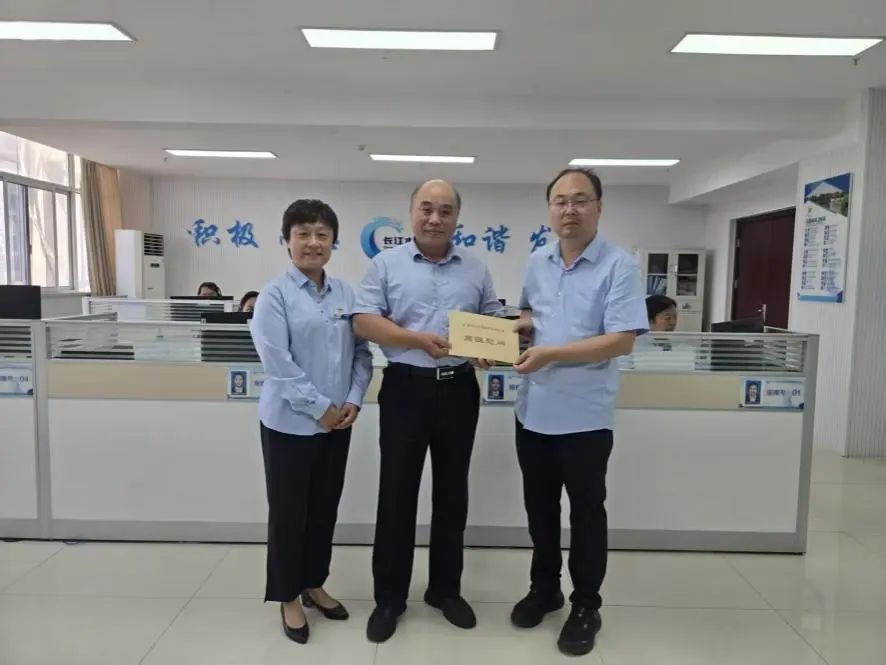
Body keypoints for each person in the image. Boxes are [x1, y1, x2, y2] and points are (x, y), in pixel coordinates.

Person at [353, 179, 501, 643]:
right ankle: (389, 598)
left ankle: (445, 590)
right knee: (396, 493)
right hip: (405, 389)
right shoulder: (385, 264)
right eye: (426, 209)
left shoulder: (476, 268)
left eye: (445, 211)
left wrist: (491, 348)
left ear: (457, 217)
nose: (435, 219)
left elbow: (492, 319)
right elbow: (365, 321)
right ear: (412, 212)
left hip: (459, 390)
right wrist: (417, 340)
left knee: (453, 494)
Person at [510, 168, 648, 656]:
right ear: (550, 209)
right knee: (540, 509)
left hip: (585, 418)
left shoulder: (619, 266)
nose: (570, 210)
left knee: (587, 513)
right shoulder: (537, 262)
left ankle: (586, 604)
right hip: (533, 412)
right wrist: (510, 336)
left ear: (598, 207)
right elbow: (530, 316)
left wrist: (550, 353)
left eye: (580, 200)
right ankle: (544, 588)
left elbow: (621, 340)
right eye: (560, 201)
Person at [250, 199, 372, 645]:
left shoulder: (346, 295)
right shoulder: (274, 296)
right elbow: (277, 363)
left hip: (337, 424)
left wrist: (354, 399)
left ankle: (313, 582)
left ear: (333, 242)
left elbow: (362, 353)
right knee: (288, 514)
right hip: (289, 425)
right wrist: (320, 407)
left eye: (322, 234)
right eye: (303, 233)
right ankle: (287, 595)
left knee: (323, 508)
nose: (313, 242)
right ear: (287, 242)